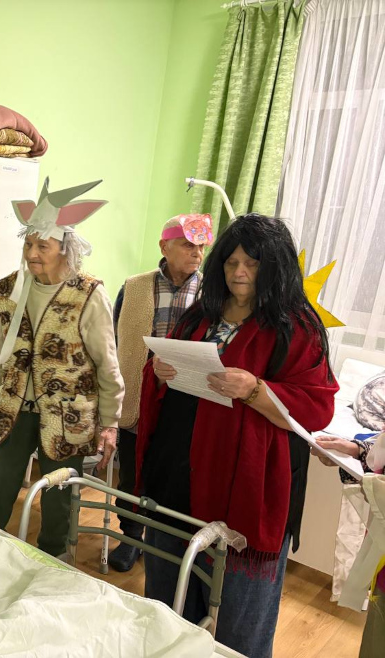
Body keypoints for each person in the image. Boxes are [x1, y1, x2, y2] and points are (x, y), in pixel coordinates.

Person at [136, 214, 339, 658]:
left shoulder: (296, 327)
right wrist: (161, 371)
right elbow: (169, 379)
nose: (239, 272)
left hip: (244, 489)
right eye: (231, 262)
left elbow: (318, 407)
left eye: (252, 263)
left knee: (240, 618)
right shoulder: (201, 314)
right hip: (177, 474)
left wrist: (256, 390)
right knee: (168, 602)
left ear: (275, 266)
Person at [0, 178, 124, 557]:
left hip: (68, 414)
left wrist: (110, 423)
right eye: (28, 244)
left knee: (59, 501)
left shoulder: (88, 294)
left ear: (64, 249)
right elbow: (2, 352)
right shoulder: (9, 288)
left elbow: (107, 364)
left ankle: (53, 565)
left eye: (43, 246)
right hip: (14, 407)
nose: (32, 253)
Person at [109, 213, 212, 572]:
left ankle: (165, 544)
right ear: (164, 247)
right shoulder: (134, 287)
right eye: (187, 244)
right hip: (137, 396)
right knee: (132, 475)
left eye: (201, 246)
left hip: (184, 402)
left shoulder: (212, 293)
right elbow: (115, 339)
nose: (197, 253)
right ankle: (131, 538)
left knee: (174, 477)